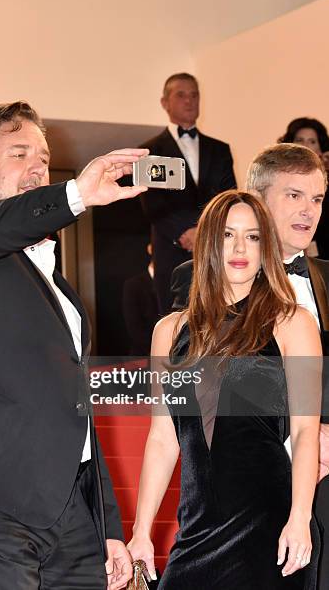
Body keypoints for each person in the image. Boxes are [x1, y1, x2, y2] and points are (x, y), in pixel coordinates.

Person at [0, 101, 150, 590]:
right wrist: (77, 193)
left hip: (67, 510)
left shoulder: (59, 289)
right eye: (19, 153)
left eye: (43, 156)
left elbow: (73, 406)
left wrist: (109, 528)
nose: (37, 165)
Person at [128, 190, 322, 588]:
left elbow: (305, 432)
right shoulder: (168, 332)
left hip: (268, 523)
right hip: (196, 527)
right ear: (208, 243)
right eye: (228, 235)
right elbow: (164, 439)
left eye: (252, 237)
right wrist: (142, 531)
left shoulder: (291, 323)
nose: (240, 247)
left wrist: (299, 517)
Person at [171, 144, 329, 589]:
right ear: (256, 198)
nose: (308, 211)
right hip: (239, 495)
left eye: (317, 199)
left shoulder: (327, 278)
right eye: (294, 195)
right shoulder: (194, 278)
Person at [140, 72, 236, 314]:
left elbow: (229, 197)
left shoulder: (220, 150)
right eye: (181, 95)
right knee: (175, 323)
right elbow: (153, 204)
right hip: (171, 252)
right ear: (165, 103)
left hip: (214, 250)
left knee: (219, 318)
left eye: (194, 95)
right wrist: (184, 232)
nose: (189, 100)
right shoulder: (148, 151)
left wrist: (204, 234)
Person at [278, 118, 329, 259]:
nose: (305, 145)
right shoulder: (277, 178)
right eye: (300, 140)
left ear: (321, 149)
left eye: (312, 141)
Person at [122, 243, 159, 356]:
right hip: (142, 359)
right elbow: (135, 329)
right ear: (150, 249)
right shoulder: (133, 285)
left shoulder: (180, 282)